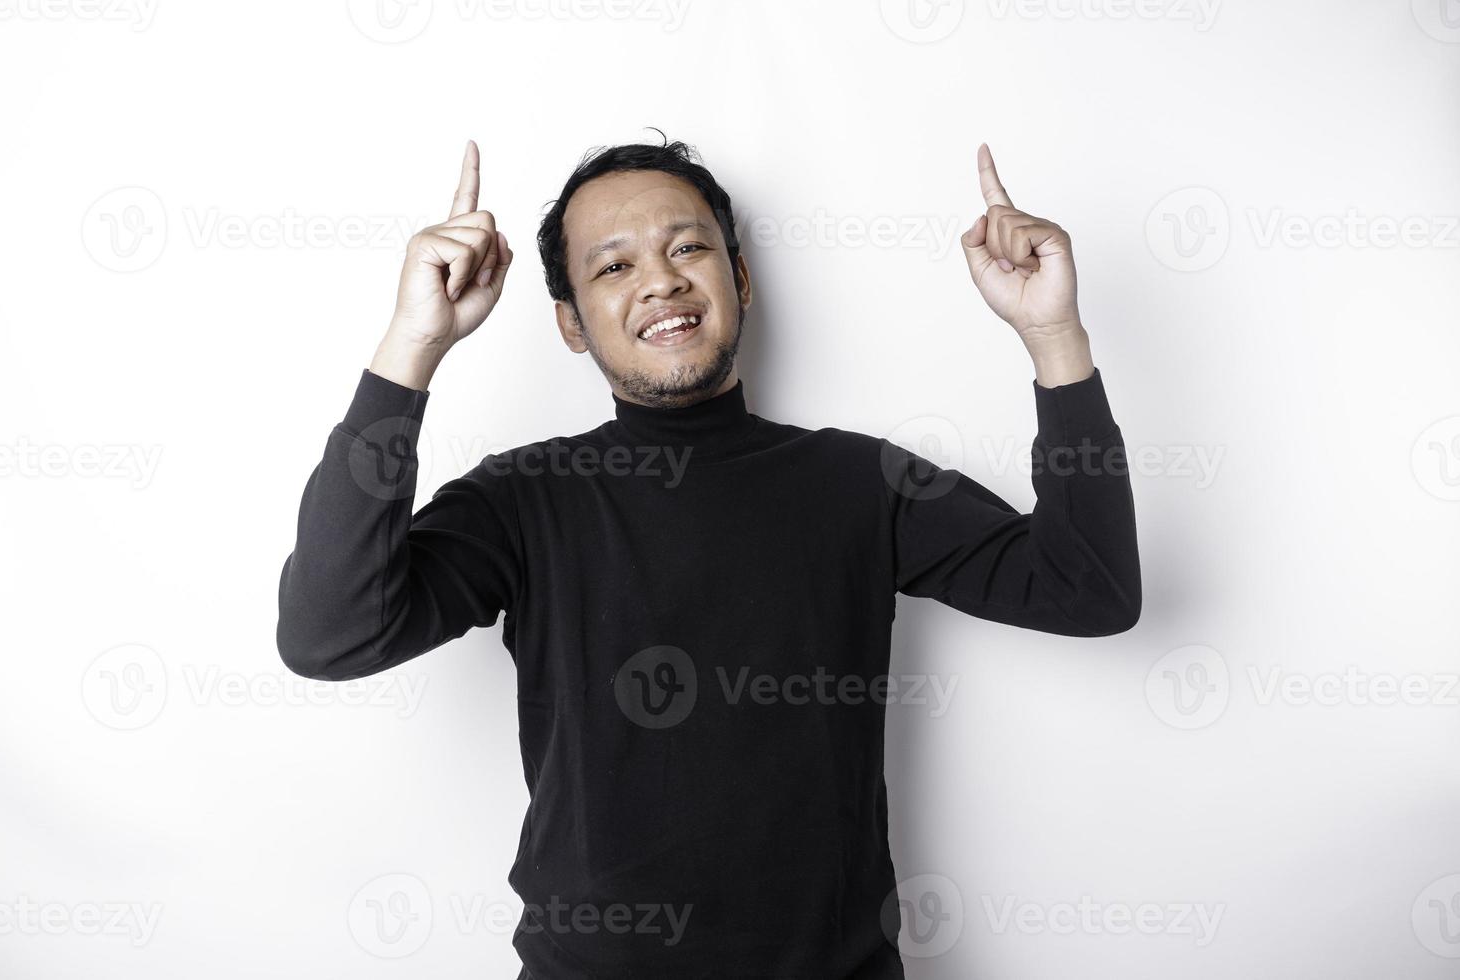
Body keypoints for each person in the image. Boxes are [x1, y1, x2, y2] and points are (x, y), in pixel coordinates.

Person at [276, 133, 1141, 978]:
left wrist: (1055, 337)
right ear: (571, 324)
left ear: (741, 281)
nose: (660, 280)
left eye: (688, 247)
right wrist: (412, 347)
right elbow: (332, 634)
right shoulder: (521, 500)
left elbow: (1089, 592)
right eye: (613, 266)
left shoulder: (859, 482)